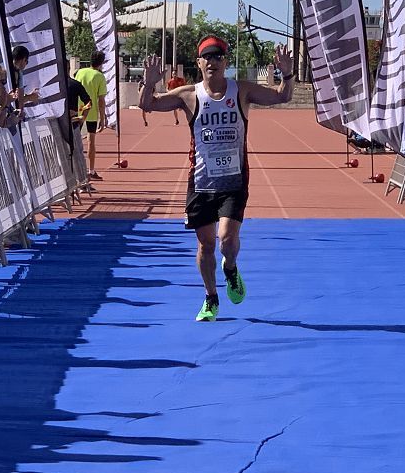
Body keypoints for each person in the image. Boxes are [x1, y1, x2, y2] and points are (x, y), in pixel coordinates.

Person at [140, 35, 295, 322]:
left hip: (233, 180)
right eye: (207, 57)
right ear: (198, 62)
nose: (212, 62)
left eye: (218, 57)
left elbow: (282, 96)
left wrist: (286, 72)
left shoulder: (241, 92)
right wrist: (149, 82)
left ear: (225, 62)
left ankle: (231, 268)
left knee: (226, 239)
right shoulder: (189, 94)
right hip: (200, 181)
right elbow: (148, 104)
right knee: (205, 245)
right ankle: (211, 298)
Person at [75, 51, 108, 181]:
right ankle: (91, 170)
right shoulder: (100, 77)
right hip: (92, 113)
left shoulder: (80, 72)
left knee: (76, 141)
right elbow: (101, 100)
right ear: (102, 63)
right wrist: (103, 118)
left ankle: (78, 172)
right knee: (91, 142)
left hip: (78, 110)